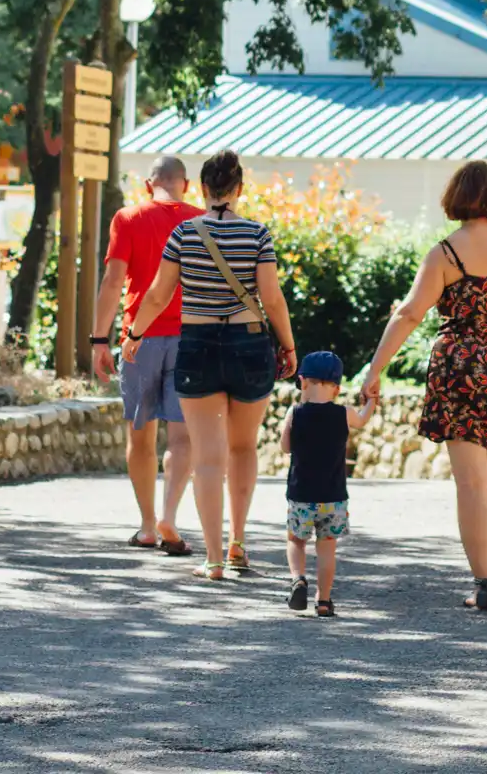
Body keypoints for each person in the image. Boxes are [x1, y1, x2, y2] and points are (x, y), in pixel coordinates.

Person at [361, 160, 487, 611]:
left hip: (460, 374)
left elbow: (410, 313)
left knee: (470, 484)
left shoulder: (445, 254)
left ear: (455, 197)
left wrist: (374, 369)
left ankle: (481, 585)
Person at [126, 149, 298, 581]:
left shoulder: (184, 233)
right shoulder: (257, 235)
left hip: (198, 344)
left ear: (201, 189)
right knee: (243, 448)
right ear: (239, 189)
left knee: (207, 456)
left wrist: (134, 335)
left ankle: (214, 558)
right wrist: (290, 346)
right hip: (249, 344)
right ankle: (239, 541)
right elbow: (272, 299)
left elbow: (159, 294)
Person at [90, 156, 202, 556]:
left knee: (141, 437)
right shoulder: (201, 220)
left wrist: (98, 340)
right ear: (185, 185)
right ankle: (169, 515)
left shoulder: (128, 217)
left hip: (140, 338)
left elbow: (113, 279)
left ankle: (146, 526)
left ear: (147, 184)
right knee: (181, 436)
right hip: (191, 339)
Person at [280, 350, 377, 617]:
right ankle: (324, 600)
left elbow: (285, 447)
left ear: (303, 382)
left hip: (301, 495)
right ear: (336, 389)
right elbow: (363, 419)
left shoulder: (295, 412)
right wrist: (370, 401)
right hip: (333, 497)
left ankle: (298, 578)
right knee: (327, 547)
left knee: (296, 540)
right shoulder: (344, 413)